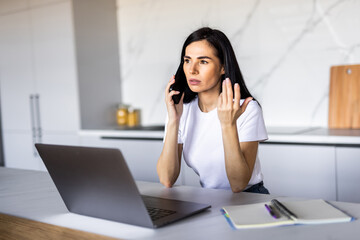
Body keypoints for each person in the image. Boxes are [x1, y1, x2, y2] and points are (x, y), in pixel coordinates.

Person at [157, 27, 269, 194]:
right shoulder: (182, 108)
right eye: (187, 60)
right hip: (210, 197)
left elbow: (238, 184)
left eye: (203, 61)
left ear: (222, 67)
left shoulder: (246, 109)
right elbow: (167, 178)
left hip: (249, 197)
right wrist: (174, 120)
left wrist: (227, 124)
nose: (192, 69)